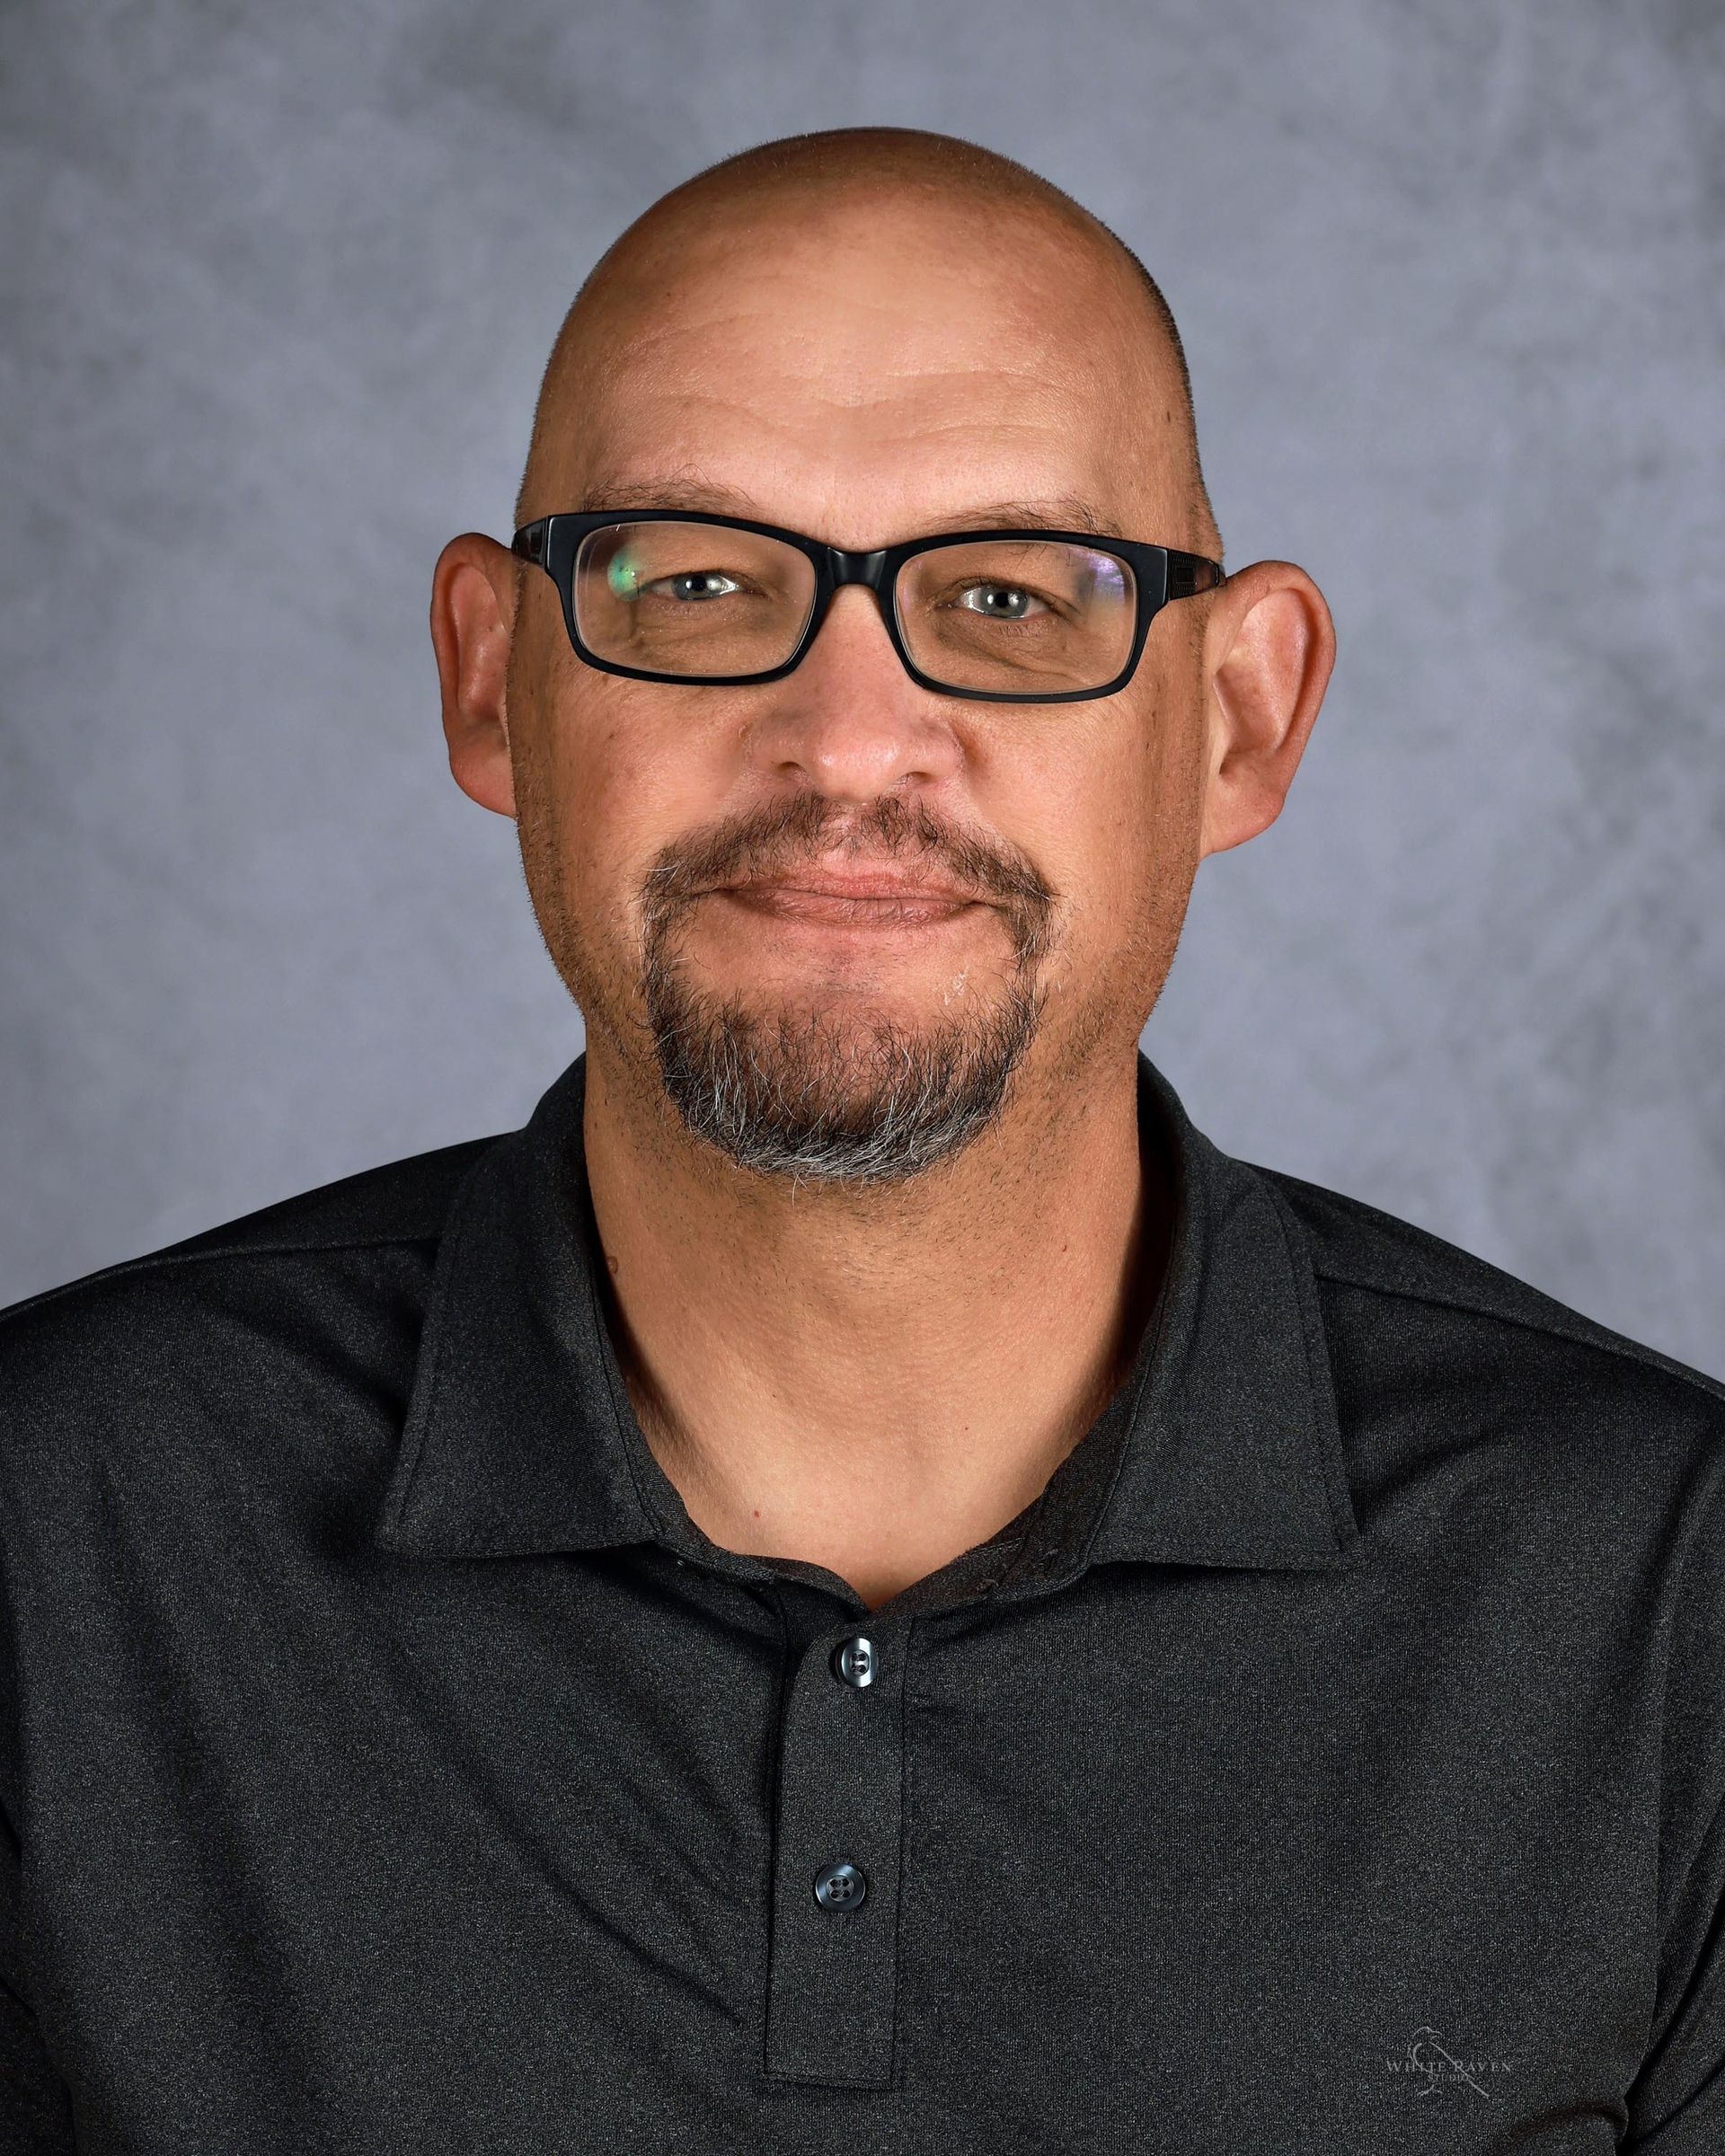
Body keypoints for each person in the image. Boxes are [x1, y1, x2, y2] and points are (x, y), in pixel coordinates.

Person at [0, 125, 1718, 2154]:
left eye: (1011, 595)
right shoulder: (48, 1541)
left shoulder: (1669, 1605)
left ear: (1240, 720)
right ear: (493, 679)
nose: (847, 739)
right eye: (700, 581)